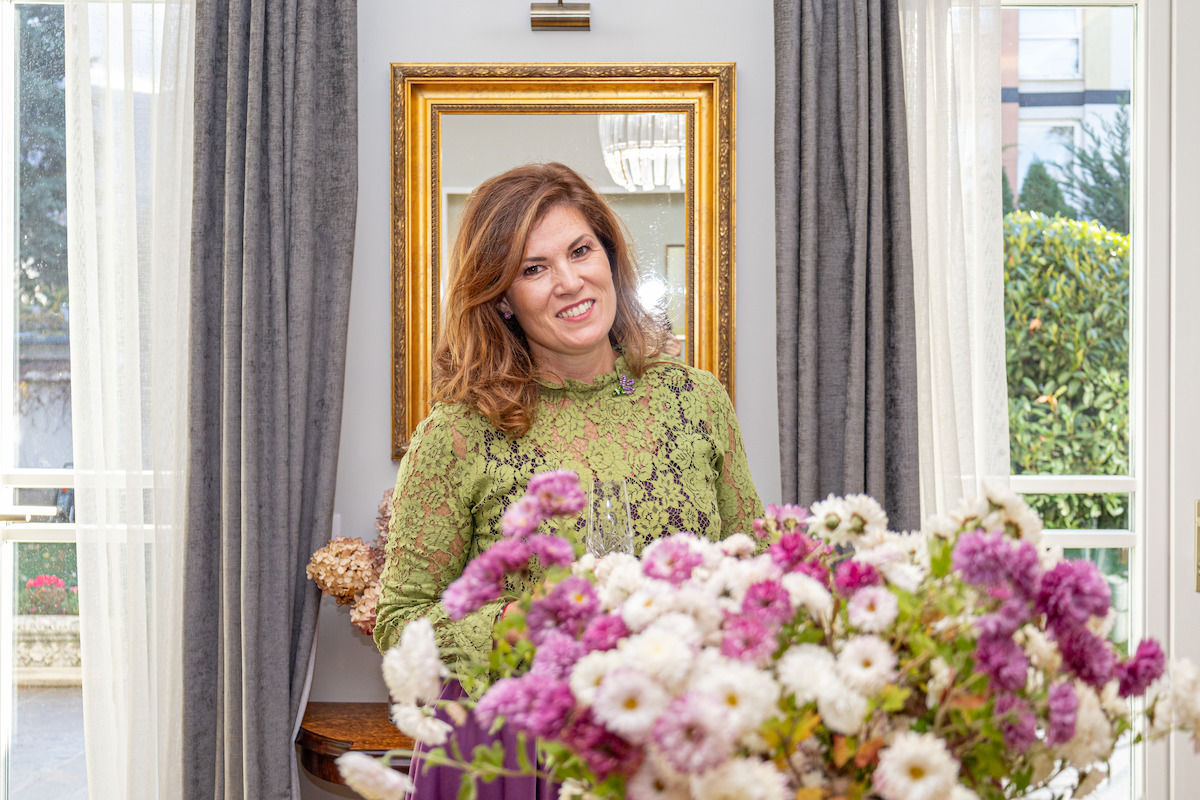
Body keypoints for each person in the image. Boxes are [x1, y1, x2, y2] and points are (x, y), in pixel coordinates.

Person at [373, 162, 762, 796]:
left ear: (609, 256)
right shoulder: (457, 433)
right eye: (534, 269)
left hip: (675, 736)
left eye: (581, 251)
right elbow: (401, 622)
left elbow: (752, 569)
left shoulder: (697, 400)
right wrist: (524, 622)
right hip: (516, 750)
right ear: (502, 298)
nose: (569, 282)